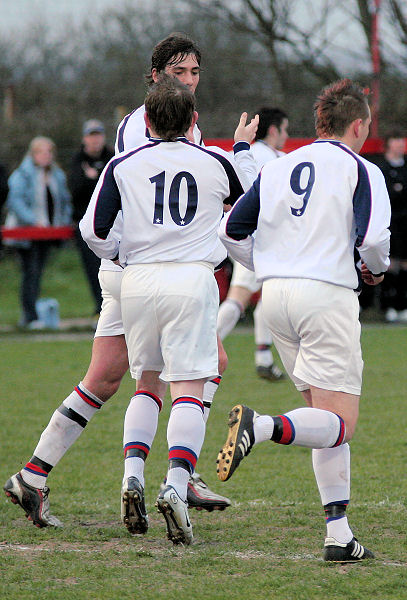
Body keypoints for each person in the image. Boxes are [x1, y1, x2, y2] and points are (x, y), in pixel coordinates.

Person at [3, 33, 257, 529]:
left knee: (104, 377)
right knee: (198, 368)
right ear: (156, 74)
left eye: (195, 72)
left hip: (133, 270)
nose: (189, 81)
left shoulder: (171, 125)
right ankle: (179, 475)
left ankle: (34, 475)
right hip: (144, 268)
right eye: (179, 72)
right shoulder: (147, 128)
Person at [217, 79, 391, 562]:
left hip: (275, 299)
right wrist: (372, 271)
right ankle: (262, 425)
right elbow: (375, 241)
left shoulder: (281, 165)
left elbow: (231, 229)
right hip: (326, 297)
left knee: (319, 414)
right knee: (340, 423)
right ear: (358, 125)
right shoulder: (362, 169)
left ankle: (338, 532)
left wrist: (268, 261)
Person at [79, 76, 257, 544]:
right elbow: (254, 194)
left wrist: (121, 254)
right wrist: (241, 147)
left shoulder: (121, 163)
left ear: (149, 121)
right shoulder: (214, 161)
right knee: (189, 389)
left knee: (146, 383)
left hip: (137, 282)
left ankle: (131, 476)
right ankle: (176, 486)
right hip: (190, 280)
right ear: (194, 121)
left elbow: (94, 231)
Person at [217, 108, 289, 381]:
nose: (287, 135)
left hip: (240, 233)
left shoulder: (244, 153)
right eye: (285, 129)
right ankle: (208, 347)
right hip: (260, 238)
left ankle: (263, 358)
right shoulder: (276, 159)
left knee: (258, 298)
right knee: (239, 298)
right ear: (274, 131)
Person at [4, 137, 71, 329]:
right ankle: (30, 316)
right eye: (42, 152)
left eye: (49, 152)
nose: (46, 156)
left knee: (38, 272)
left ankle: (34, 315)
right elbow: (15, 202)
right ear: (33, 154)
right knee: (30, 272)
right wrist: (34, 222)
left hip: (47, 234)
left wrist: (61, 222)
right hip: (25, 234)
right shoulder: (21, 175)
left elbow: (64, 201)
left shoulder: (57, 175)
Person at [69, 119, 114, 317]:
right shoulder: (77, 159)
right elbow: (75, 190)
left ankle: (112, 306)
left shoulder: (112, 156)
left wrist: (93, 178)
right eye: (91, 136)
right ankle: (100, 306)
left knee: (113, 264)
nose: (95, 140)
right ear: (85, 138)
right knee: (92, 267)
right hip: (85, 221)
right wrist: (94, 179)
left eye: (98, 135)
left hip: (111, 222)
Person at [372, 130, 407, 322]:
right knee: (390, 263)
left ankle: (402, 305)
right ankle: (388, 306)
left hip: (405, 222)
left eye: (401, 140)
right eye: (396, 140)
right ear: (388, 144)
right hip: (389, 222)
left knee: (404, 264)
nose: (400, 144)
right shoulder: (381, 167)